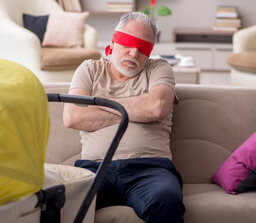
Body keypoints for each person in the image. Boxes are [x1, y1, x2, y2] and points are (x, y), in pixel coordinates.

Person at [63, 12, 185, 223]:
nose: (134, 53)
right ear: (113, 41)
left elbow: (157, 107)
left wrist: (100, 105)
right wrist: (135, 110)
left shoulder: (159, 68)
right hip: (96, 168)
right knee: (66, 201)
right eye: (128, 43)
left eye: (143, 48)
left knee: (167, 201)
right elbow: (72, 116)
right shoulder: (90, 70)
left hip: (150, 170)